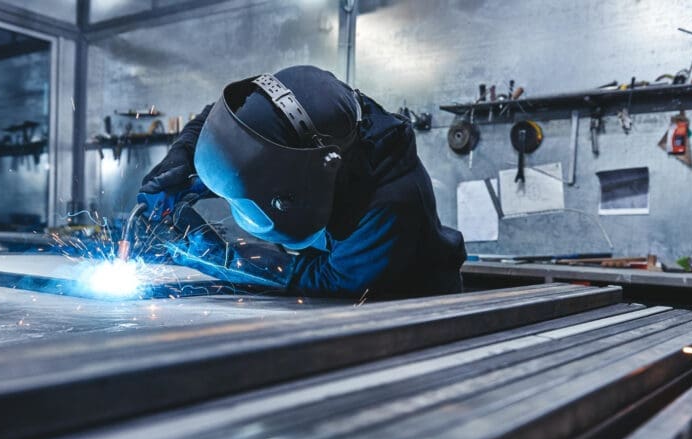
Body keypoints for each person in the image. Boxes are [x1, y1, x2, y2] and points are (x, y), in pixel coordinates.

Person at [138, 65, 465, 299]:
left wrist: (212, 256)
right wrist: (182, 159)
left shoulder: (391, 202)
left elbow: (334, 280)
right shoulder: (303, 112)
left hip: (403, 308)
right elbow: (225, 117)